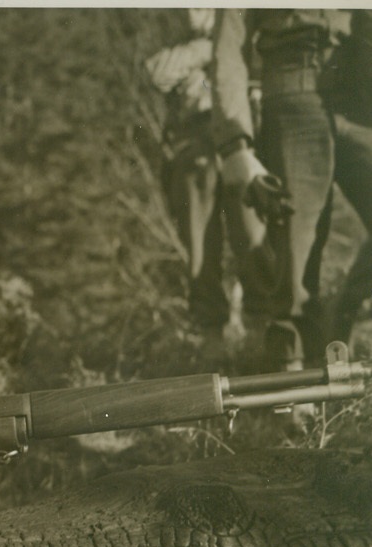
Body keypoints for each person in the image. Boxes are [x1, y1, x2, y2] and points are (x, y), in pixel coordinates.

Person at [211, 9, 372, 370]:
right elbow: (228, 47)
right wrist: (236, 143)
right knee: (297, 262)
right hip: (293, 94)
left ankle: (340, 324)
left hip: (361, 92)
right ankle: (296, 397)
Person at [145, 9, 267, 366]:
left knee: (253, 232)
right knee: (200, 246)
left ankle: (260, 334)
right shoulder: (168, 25)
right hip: (194, 139)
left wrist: (211, 50)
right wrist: (211, 46)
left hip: (243, 136)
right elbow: (157, 72)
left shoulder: (246, 18)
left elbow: (254, 61)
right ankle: (211, 336)